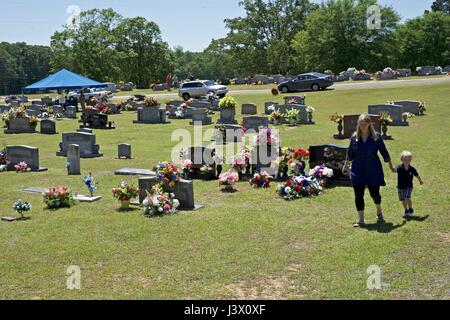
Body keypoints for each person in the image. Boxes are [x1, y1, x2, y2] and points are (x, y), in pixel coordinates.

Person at [344, 113, 394, 228]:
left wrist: (390, 165)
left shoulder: (376, 137)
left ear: (369, 124)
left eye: (364, 124)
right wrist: (346, 165)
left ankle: (379, 211)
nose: (362, 126)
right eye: (360, 124)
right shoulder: (354, 137)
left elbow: (384, 152)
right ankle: (361, 220)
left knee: (374, 193)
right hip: (358, 169)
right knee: (358, 195)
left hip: (373, 169)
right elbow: (350, 153)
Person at [390, 151, 423, 218]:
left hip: (409, 186)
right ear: (401, 160)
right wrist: (390, 166)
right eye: (405, 160)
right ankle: (406, 210)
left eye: (409, 160)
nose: (407, 161)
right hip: (400, 186)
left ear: (410, 160)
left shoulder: (412, 169)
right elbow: (393, 170)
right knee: (402, 199)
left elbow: (416, 175)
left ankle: (410, 208)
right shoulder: (399, 167)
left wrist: (420, 180)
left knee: (407, 197)